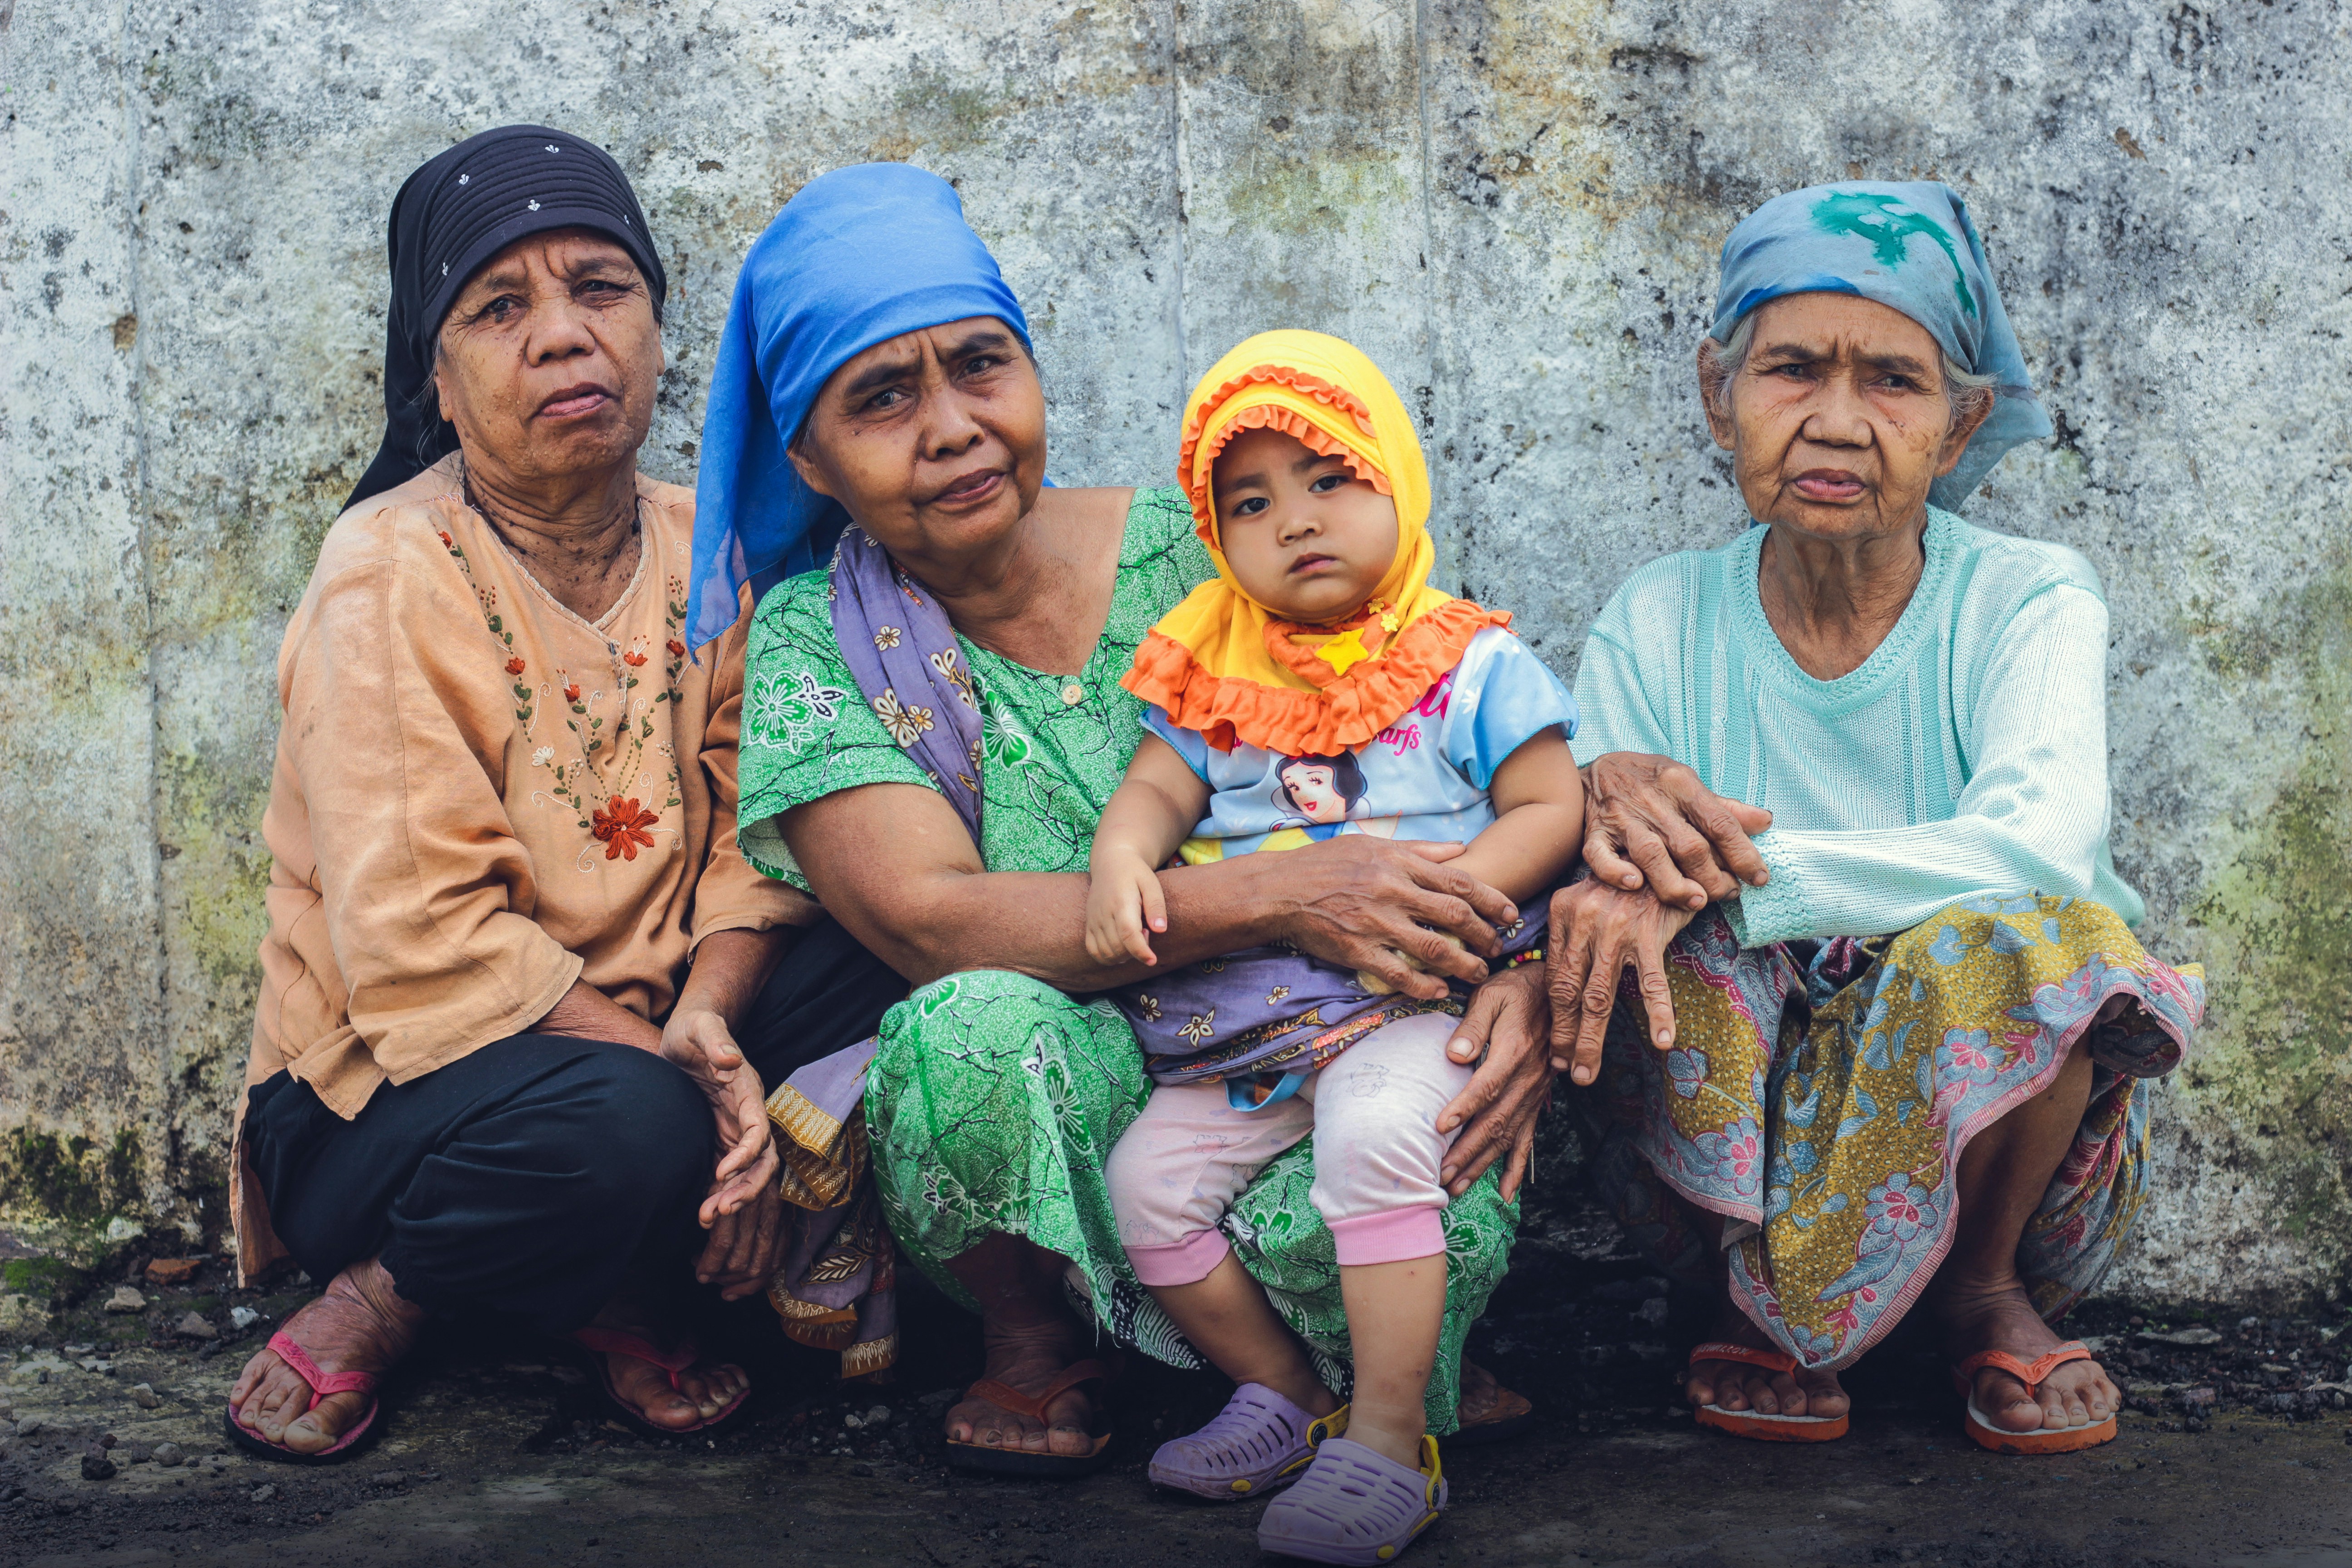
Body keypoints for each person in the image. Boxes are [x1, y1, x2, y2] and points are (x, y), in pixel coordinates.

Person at [696, 164, 1558, 1476]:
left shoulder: (1211, 535)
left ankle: (1346, 1381)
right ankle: (1038, 1335)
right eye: (882, 398)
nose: (951, 426)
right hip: (1076, 1081)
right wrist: (1288, 894)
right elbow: (931, 920)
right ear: (808, 457)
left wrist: (1536, 932)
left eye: (981, 365)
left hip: (1327, 1039)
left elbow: (1446, 713)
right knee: (964, 1029)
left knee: (1403, 1172)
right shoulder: (822, 639)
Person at [223, 126, 895, 1461]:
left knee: (899, 953)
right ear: (440, 374)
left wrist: (710, 1028)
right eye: (499, 307)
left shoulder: (717, 551)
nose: (563, 336)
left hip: (661, 1037)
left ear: (654, 331)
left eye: (602, 288)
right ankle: (397, 1292)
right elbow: (424, 947)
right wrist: (707, 1102)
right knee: (627, 1129)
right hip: (400, 1098)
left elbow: (768, 837)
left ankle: (618, 1263)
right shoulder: (388, 575)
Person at [1544, 181, 2204, 1456]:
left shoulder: (2025, 598)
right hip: (1723, 1184)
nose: (1837, 422)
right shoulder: (1660, 615)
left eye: (1892, 383)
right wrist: (1636, 860)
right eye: (1791, 369)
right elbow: (1613, 849)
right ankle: (1764, 1294)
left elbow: (2042, 844)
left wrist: (1739, 875)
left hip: (1998, 1165)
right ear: (1715, 395)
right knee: (1635, 930)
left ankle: (1981, 1292)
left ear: (1958, 431)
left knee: (2036, 936)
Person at [1086, 332, 1582, 1560]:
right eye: (1249, 502)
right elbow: (1155, 795)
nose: (1294, 522)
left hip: (1421, 997)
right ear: (1217, 534)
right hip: (1257, 1018)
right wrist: (1118, 860)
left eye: (1329, 479)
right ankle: (1293, 1399)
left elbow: (1552, 806)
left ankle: (1390, 1441)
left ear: (1397, 483)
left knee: (1374, 1139)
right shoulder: (1214, 668)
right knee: (1144, 1189)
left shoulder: (1465, 659)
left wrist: (1459, 890)